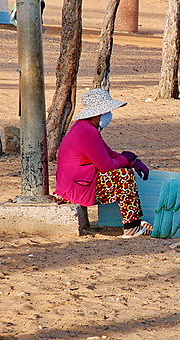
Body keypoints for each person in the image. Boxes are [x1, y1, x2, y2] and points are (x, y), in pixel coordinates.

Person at [55, 88, 153, 238]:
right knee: (123, 176)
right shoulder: (88, 132)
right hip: (77, 187)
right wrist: (127, 160)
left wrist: (132, 161)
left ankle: (135, 222)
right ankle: (131, 227)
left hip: (75, 183)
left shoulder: (85, 128)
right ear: (97, 114)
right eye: (106, 111)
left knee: (123, 170)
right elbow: (106, 165)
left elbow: (109, 153)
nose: (109, 115)